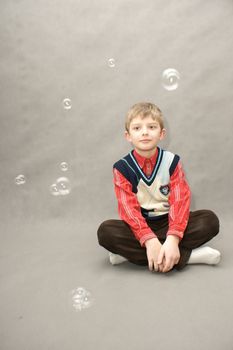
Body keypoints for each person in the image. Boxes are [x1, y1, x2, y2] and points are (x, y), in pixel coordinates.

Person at [97, 102, 221, 273]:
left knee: (209, 220)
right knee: (106, 232)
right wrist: (149, 240)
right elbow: (128, 209)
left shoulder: (172, 161)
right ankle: (190, 256)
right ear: (128, 136)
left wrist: (173, 238)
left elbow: (180, 200)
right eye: (137, 128)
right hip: (140, 225)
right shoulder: (122, 167)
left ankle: (134, 255)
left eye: (152, 126)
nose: (145, 132)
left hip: (169, 220)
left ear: (161, 133)